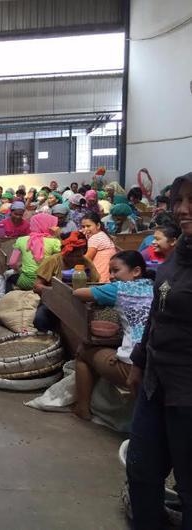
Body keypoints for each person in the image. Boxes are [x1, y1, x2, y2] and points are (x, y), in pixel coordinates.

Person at [125, 172, 192, 528]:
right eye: (179, 200)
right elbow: (157, 310)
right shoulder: (180, 253)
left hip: (187, 391)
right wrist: (139, 361)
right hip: (156, 379)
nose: (182, 209)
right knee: (142, 468)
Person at [72, 251, 154, 420]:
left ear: (136, 271)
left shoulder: (119, 289)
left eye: (116, 270)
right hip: (156, 359)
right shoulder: (155, 286)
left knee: (83, 352)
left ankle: (82, 408)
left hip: (135, 367)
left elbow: (78, 293)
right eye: (110, 271)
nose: (111, 276)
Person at [33, 231, 99, 332]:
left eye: (78, 256)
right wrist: (59, 291)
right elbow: (36, 287)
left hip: (79, 304)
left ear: (83, 251)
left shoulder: (86, 262)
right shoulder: (53, 261)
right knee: (40, 320)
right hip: (54, 302)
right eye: (69, 255)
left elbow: (96, 284)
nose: (74, 259)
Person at [7, 213, 61, 291]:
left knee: (9, 278)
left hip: (26, 281)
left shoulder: (21, 240)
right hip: (46, 282)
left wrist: (19, 270)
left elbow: (12, 263)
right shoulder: (55, 242)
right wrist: (57, 235)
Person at [81, 212, 117, 283]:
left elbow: (87, 259)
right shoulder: (102, 234)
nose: (85, 229)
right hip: (108, 277)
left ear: (98, 225)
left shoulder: (95, 238)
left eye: (88, 226)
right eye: (83, 227)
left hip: (101, 278)